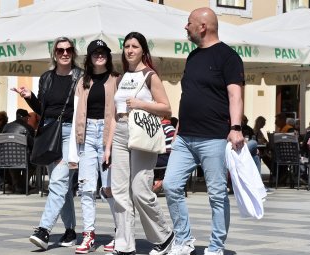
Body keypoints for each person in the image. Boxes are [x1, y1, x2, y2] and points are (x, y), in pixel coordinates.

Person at [163, 8, 245, 255]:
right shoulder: (192, 57)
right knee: (170, 185)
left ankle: (217, 246)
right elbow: (189, 94)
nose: (185, 27)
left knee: (217, 195)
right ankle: (184, 240)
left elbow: (235, 95)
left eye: (189, 23)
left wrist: (236, 128)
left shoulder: (228, 57)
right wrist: (178, 127)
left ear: (202, 27)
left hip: (214, 138)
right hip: (185, 137)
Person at [104, 32, 174, 255]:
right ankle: (124, 244)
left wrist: (141, 104)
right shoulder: (121, 77)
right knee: (120, 191)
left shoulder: (150, 75)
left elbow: (167, 108)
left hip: (142, 132)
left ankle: (164, 235)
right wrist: (108, 146)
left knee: (140, 189)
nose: (130, 50)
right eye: (126, 46)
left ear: (143, 50)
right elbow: (115, 115)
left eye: (134, 46)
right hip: (121, 132)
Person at [12, 36, 83, 250]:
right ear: (54, 53)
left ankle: (43, 230)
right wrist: (29, 97)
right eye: (60, 50)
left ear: (73, 53)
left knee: (58, 182)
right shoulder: (46, 78)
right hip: (50, 132)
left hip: (71, 132)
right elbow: (42, 109)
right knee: (60, 185)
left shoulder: (81, 77)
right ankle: (70, 231)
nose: (64, 53)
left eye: (68, 50)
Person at [67, 39, 119, 254]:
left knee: (109, 189)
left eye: (103, 52)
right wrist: (73, 150)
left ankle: (121, 232)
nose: (99, 55)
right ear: (89, 57)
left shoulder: (117, 79)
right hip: (86, 135)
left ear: (108, 55)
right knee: (86, 188)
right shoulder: (82, 82)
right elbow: (75, 115)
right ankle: (89, 234)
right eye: (95, 52)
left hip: (109, 135)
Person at [2, 109, 35, 194]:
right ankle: (23, 185)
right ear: (24, 117)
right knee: (33, 162)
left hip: (6, 158)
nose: (28, 120)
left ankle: (17, 185)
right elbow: (32, 144)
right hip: (23, 158)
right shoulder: (28, 128)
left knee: (12, 160)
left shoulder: (6, 127)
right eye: (27, 118)